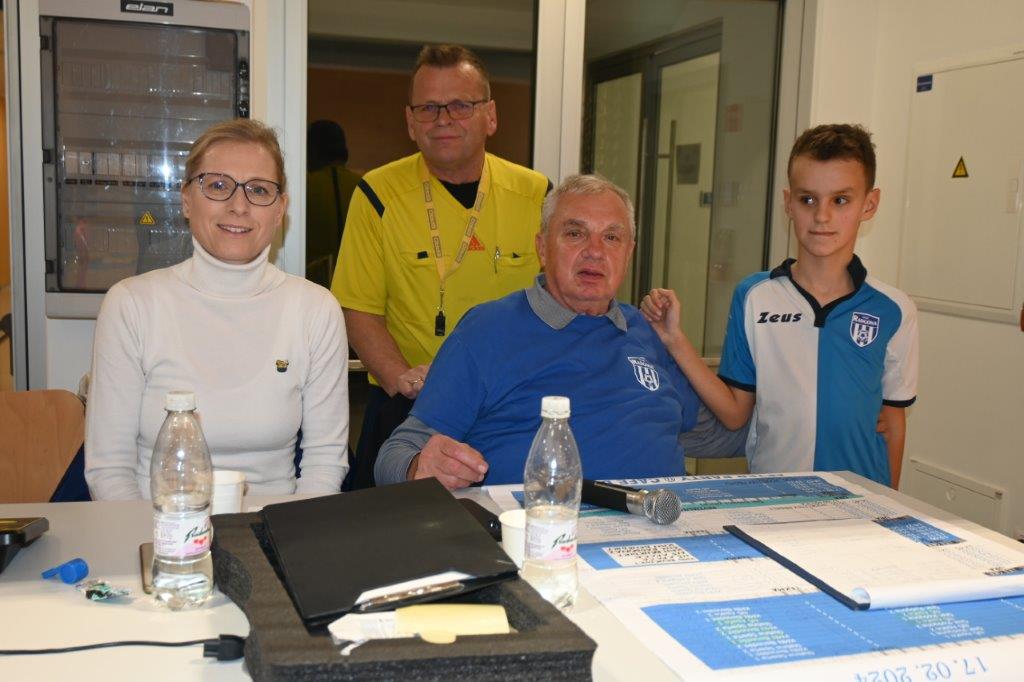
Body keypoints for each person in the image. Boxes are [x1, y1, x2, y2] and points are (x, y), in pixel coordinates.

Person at [375, 174, 701, 489]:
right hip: (536, 521)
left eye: (612, 237)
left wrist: (683, 344)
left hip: (664, 519)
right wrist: (421, 466)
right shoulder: (487, 331)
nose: (595, 251)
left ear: (628, 253)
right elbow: (394, 456)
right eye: (575, 233)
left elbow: (712, 433)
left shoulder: (645, 330)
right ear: (542, 249)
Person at [85, 119, 349, 500]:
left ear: (280, 210)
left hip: (275, 525)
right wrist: (154, 536)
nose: (239, 206)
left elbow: (325, 463)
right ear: (186, 200)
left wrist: (293, 535)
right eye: (218, 186)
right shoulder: (131, 306)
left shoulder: (316, 311)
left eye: (258, 190)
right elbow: (109, 470)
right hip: (157, 525)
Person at [642, 123, 918, 487]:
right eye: (808, 200)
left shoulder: (894, 309)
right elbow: (735, 414)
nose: (822, 216)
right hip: (775, 495)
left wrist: (890, 504)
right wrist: (675, 339)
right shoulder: (754, 296)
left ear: (869, 204)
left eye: (840, 200)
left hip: (861, 503)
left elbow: (893, 423)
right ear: (788, 202)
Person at [331, 44, 549, 488]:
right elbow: (357, 308)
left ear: (490, 116)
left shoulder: (538, 195)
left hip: (513, 406)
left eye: (460, 105)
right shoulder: (377, 194)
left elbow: (563, 300)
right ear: (410, 122)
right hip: (411, 407)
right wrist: (401, 378)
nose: (443, 119)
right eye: (428, 108)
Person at [305, 120, 360, 288]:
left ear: (310, 152)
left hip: (312, 285)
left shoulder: (303, 188)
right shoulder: (364, 187)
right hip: (356, 284)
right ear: (345, 152)